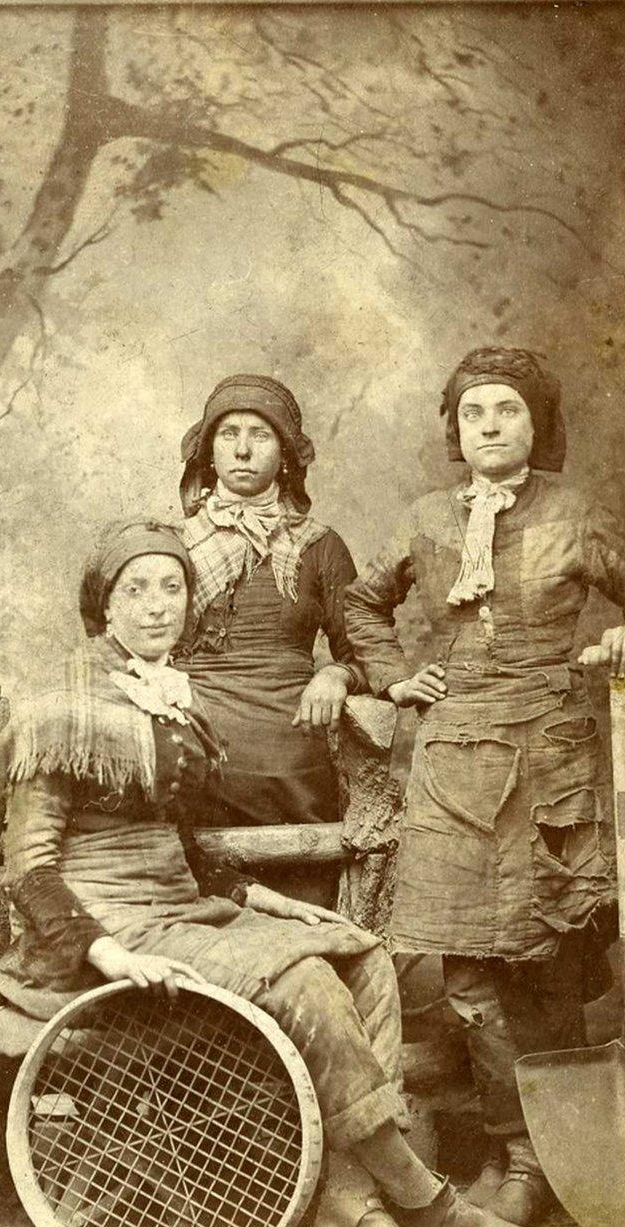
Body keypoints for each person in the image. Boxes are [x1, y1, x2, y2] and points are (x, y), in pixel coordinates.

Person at [0, 518, 533, 1227]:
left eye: (171, 588)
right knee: (304, 978)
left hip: (180, 908)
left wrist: (265, 901)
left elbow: (182, 845)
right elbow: (29, 868)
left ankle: (352, 1211)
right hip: (107, 925)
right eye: (135, 590)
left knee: (362, 956)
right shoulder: (62, 708)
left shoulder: (173, 696)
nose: (156, 606)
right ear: (103, 606)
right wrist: (104, 948)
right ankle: (423, 1198)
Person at [343, 347, 625, 1227]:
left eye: (507, 411)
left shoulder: (575, 513)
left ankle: (541, 1164)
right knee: (463, 969)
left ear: (537, 424)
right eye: (473, 413)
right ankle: (509, 1145)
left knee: (544, 961)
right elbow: (356, 605)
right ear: (454, 430)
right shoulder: (420, 518)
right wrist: (393, 677)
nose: (489, 426)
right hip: (451, 755)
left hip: (549, 752)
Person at [175, 374, 365, 907]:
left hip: (289, 735)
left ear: (285, 454)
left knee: (301, 896)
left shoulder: (320, 546)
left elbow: (362, 648)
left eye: (259, 435)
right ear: (207, 452)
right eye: (228, 434)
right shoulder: (170, 545)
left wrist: (335, 673)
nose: (241, 449)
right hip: (194, 729)